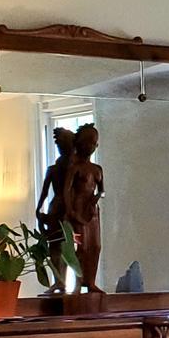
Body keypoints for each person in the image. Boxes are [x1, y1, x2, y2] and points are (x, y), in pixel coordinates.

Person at [62, 123, 106, 294]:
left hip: (92, 211)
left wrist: (97, 197)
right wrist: (71, 210)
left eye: (94, 143)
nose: (91, 146)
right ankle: (78, 282)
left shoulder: (97, 169)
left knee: (95, 246)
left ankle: (91, 281)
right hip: (78, 209)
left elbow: (102, 190)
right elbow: (67, 190)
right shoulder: (75, 168)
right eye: (87, 142)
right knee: (82, 247)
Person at [35, 127, 75, 246]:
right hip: (58, 208)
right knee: (57, 244)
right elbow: (44, 192)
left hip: (65, 208)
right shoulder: (54, 169)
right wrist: (38, 209)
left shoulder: (75, 169)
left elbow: (44, 192)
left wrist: (39, 209)